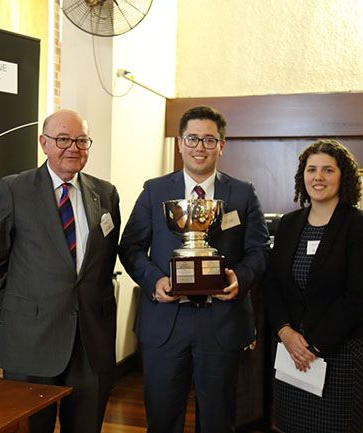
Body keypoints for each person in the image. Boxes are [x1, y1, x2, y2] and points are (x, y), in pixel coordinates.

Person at [119, 105, 269, 433]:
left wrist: (239, 279)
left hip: (221, 322)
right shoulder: (154, 190)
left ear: (222, 145)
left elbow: (259, 251)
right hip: (165, 322)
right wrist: (154, 280)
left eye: (209, 140)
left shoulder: (242, 194)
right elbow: (129, 247)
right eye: (192, 139)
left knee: (218, 420)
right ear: (179, 143)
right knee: (161, 418)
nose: (200, 147)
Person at [0, 109, 121, 433]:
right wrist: (22, 308)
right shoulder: (14, 190)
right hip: (30, 341)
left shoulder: (106, 193)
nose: (73, 147)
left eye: (81, 140)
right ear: (44, 143)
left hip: (90, 343)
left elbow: (104, 261)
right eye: (63, 139)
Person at [262, 139, 363, 433]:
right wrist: (285, 332)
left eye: (328, 170)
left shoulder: (361, 227)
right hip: (291, 351)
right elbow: (272, 284)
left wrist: (313, 345)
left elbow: (357, 298)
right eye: (311, 169)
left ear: (343, 177)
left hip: (341, 355)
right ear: (302, 176)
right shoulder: (288, 224)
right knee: (290, 426)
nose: (318, 177)